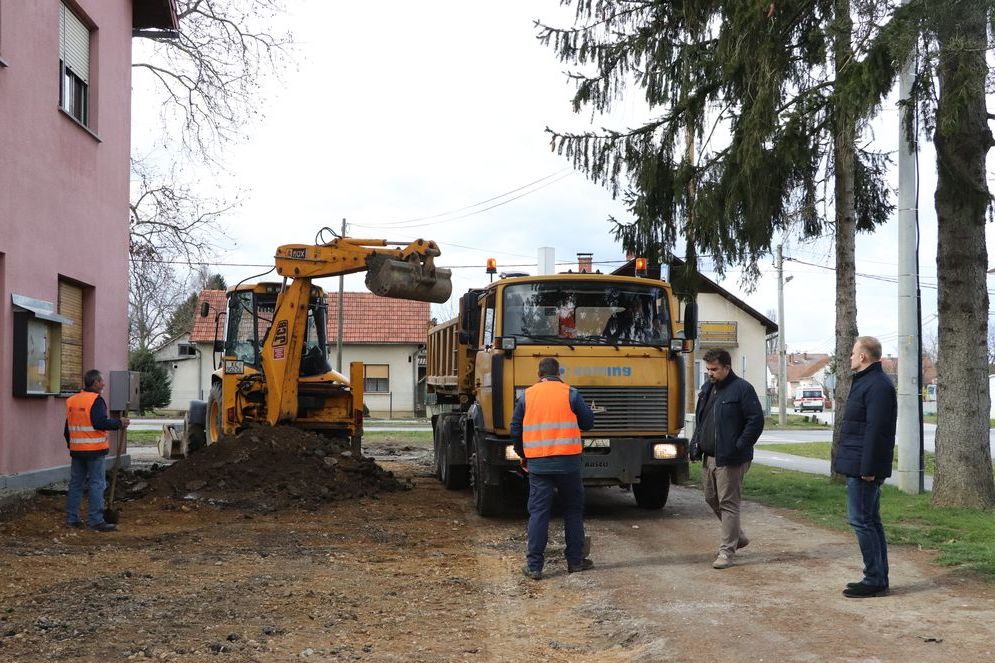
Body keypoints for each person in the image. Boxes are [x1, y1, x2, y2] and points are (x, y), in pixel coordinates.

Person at [511, 357, 595, 580]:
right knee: (573, 511)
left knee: (539, 512)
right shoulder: (571, 393)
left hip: (538, 464)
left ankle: (535, 567)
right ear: (559, 373)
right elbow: (587, 422)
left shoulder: (526, 396)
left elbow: (515, 428)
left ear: (539, 375)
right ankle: (575, 562)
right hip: (568, 464)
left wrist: (523, 453)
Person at [689, 348, 764, 569]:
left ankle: (726, 551)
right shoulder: (707, 389)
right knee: (710, 498)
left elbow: (756, 421)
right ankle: (737, 536)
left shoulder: (742, 389)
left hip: (731, 458)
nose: (710, 373)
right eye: (708, 369)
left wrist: (739, 446)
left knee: (728, 503)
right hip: (710, 456)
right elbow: (701, 421)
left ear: (727, 368)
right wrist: (696, 444)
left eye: (714, 369)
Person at [834, 336, 896, 598]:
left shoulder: (877, 385)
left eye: (852, 353)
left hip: (864, 467)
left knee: (862, 521)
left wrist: (868, 468)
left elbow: (876, 431)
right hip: (859, 463)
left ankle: (874, 579)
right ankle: (878, 577)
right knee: (870, 521)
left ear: (863, 357)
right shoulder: (866, 382)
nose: (849, 357)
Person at [65, 369, 129, 532]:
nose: (104, 384)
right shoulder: (96, 401)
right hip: (94, 450)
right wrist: (119, 422)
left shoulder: (72, 400)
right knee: (97, 484)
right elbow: (100, 423)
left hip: (77, 450)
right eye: (101, 381)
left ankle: (72, 518)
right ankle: (96, 520)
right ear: (94, 383)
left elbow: (67, 429)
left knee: (76, 484)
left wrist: (72, 445)